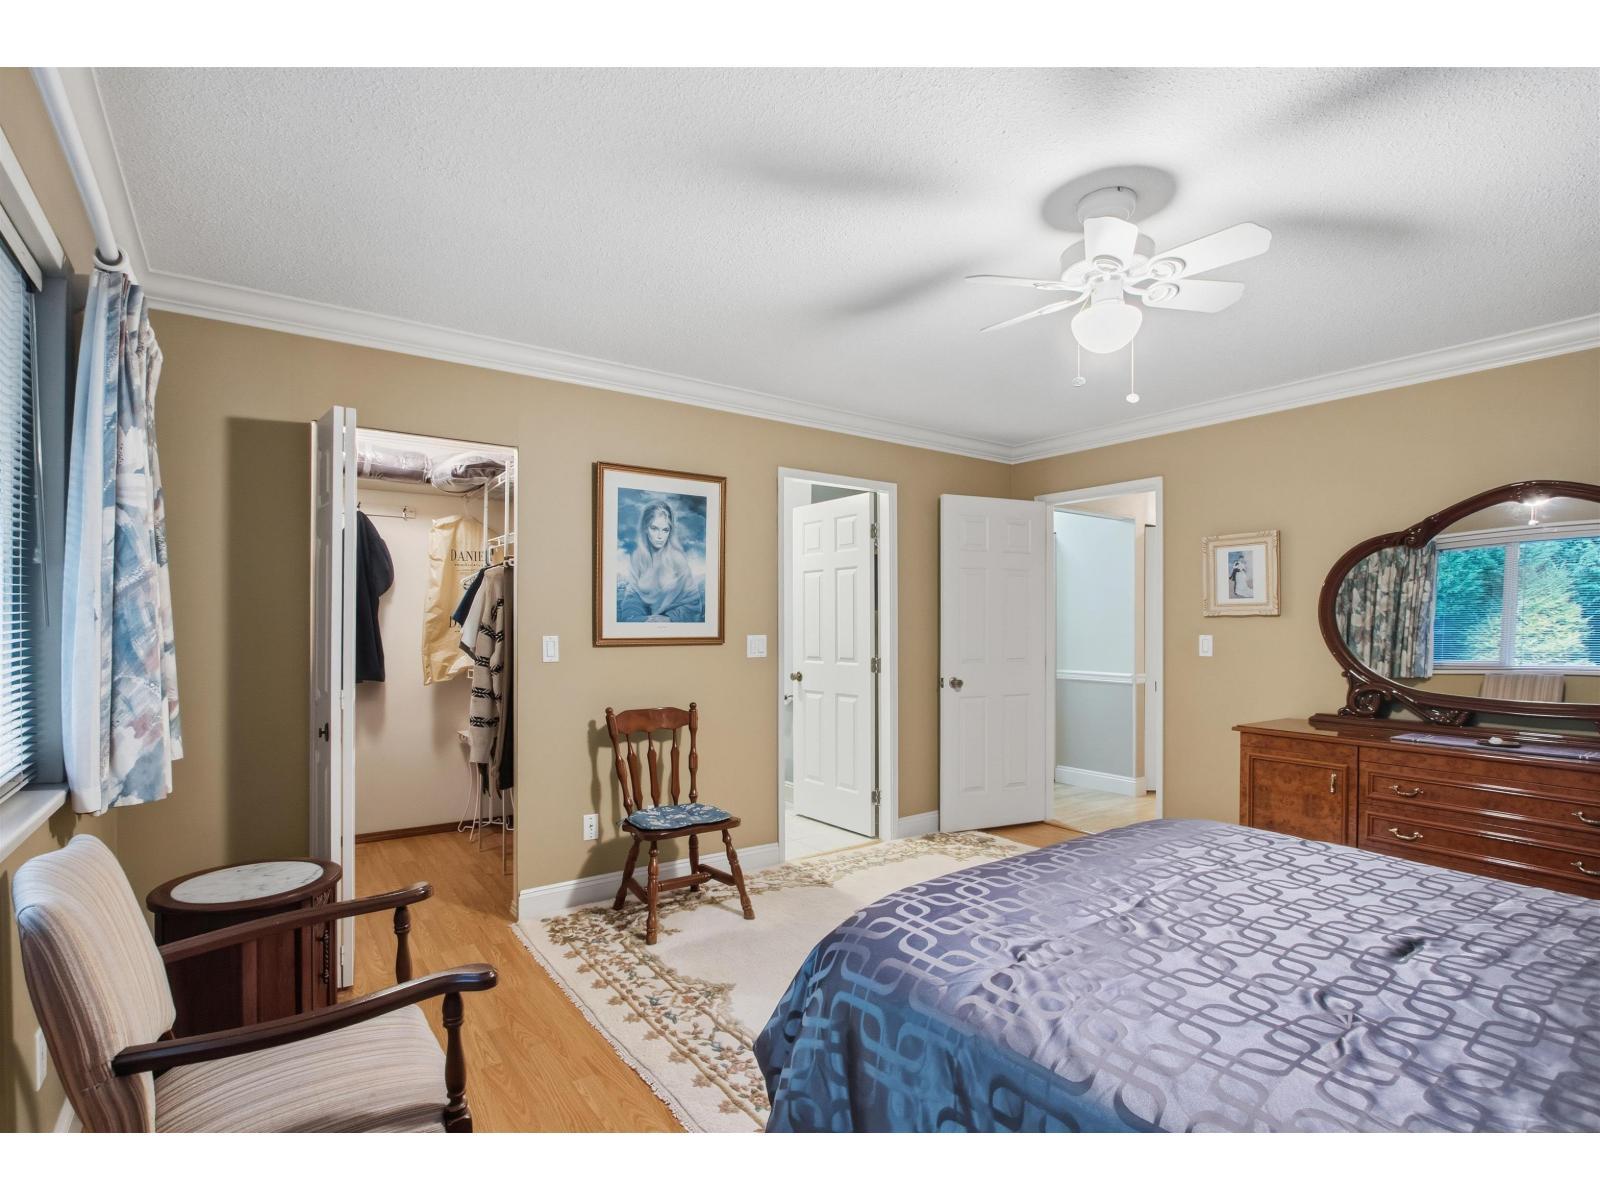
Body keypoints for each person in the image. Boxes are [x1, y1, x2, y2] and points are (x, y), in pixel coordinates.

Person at [617, 500, 704, 622]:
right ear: (645, 528)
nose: (660, 536)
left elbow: (692, 604)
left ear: (670, 531)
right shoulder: (638, 557)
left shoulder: (677, 559)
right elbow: (632, 598)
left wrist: (668, 619)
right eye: (654, 528)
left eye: (665, 530)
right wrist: (641, 619)